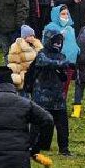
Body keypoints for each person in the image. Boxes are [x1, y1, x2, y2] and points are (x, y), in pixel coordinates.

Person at [24, 28, 72, 157]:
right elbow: (44, 62)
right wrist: (61, 64)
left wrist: (62, 65)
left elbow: (65, 71)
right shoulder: (41, 54)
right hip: (41, 96)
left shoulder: (61, 56)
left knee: (62, 124)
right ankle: (32, 146)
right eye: (55, 41)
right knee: (37, 122)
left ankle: (64, 149)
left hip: (57, 97)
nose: (58, 44)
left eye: (60, 41)